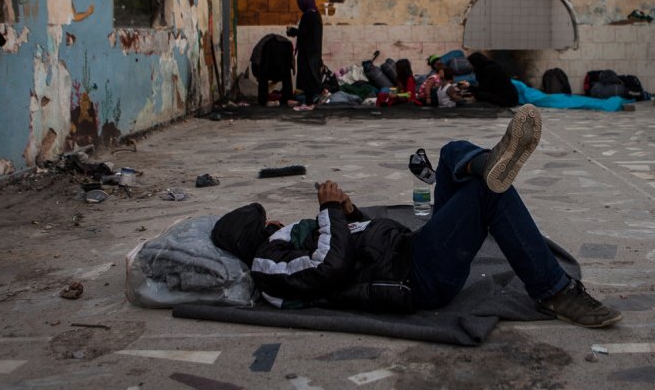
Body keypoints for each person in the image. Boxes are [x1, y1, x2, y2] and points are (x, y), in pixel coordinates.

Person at [213, 105, 623, 328]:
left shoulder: (287, 244)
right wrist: (329, 210)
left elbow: (348, 245)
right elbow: (329, 267)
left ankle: (487, 162)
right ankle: (554, 292)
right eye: (269, 221)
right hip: (417, 276)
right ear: (260, 231)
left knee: (448, 154)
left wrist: (350, 213)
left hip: (411, 247)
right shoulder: (268, 264)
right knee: (488, 197)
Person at [286, 0, 324, 111]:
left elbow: (303, 33)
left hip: (307, 51)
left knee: (307, 77)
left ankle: (309, 103)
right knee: (312, 76)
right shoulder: (316, 14)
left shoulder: (308, 15)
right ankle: (311, 101)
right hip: (314, 51)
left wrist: (292, 31)